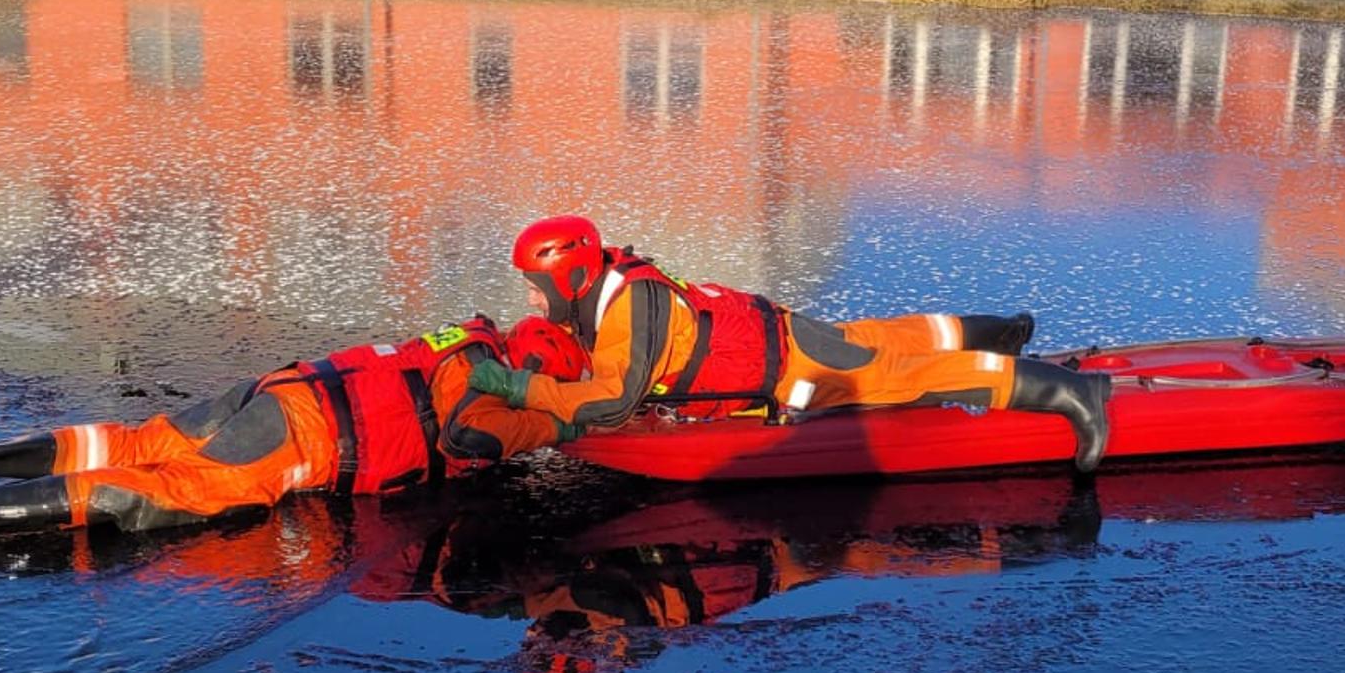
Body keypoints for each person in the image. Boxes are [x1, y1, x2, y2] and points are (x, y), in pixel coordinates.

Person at [469, 215, 1111, 471]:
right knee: (878, 341)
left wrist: (521, 389)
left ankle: (1072, 394)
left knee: (909, 375)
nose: (531, 299)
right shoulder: (612, 286)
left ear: (571, 277)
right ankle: (1001, 332)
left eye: (535, 286)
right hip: (780, 335)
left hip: (792, 372)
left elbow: (610, 402)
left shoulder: (630, 309)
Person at [0, 316, 589, 554]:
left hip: (281, 389)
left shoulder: (460, 342)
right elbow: (470, 440)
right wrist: (551, 423)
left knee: (136, 441)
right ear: (530, 371)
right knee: (173, 494)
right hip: (302, 436)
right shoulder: (484, 387)